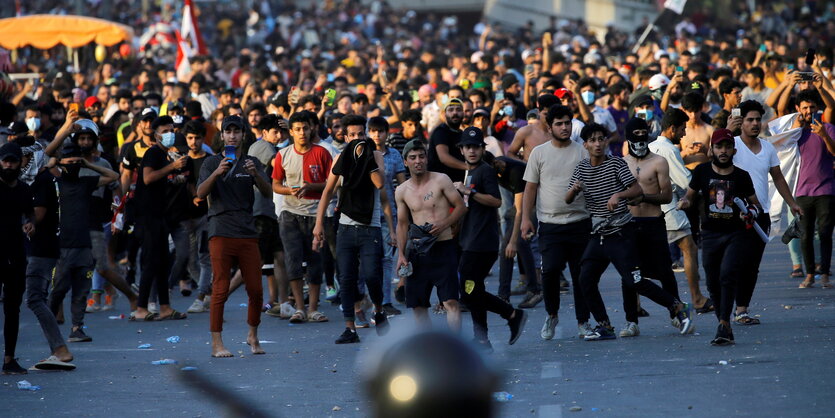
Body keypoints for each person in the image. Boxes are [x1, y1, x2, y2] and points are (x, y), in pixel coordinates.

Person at [566, 123, 693, 341]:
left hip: (622, 233)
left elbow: (635, 189)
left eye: (601, 139)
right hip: (599, 235)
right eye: (593, 140)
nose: (598, 144)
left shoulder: (616, 164)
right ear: (585, 144)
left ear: (607, 142)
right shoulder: (581, 168)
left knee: (635, 280)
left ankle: (677, 306)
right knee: (584, 278)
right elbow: (567, 199)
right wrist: (574, 189)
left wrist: (619, 196)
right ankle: (604, 325)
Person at [312, 115, 392, 344]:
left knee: (371, 275)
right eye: (353, 135)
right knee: (346, 278)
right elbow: (327, 192)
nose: (357, 138)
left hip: (370, 228)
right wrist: (318, 224)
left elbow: (379, 183)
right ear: (345, 137)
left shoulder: (375, 155)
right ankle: (350, 328)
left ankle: (378, 309)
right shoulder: (340, 158)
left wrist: (365, 157)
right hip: (345, 228)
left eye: (360, 134)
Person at [196, 115, 271, 357]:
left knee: (256, 290)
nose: (232, 135)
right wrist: (217, 173)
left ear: (243, 135)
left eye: (236, 131)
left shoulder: (252, 161)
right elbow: (199, 193)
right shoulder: (211, 162)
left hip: (248, 231)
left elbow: (269, 194)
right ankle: (217, 343)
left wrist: (256, 175)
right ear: (221, 135)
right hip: (220, 229)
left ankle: (253, 336)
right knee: (220, 288)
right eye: (228, 131)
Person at [678, 129, 760, 345]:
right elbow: (690, 195)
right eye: (718, 146)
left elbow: (756, 204)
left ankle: (724, 323)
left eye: (727, 147)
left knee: (727, 274)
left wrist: (749, 212)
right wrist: (685, 202)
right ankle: (724, 324)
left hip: (736, 234)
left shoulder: (741, 176)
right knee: (713, 281)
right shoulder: (702, 172)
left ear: (733, 149)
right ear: (711, 150)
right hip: (710, 233)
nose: (723, 151)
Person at [521, 105, 593, 340]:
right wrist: (525, 219)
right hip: (549, 225)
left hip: (580, 222)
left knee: (581, 275)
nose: (564, 127)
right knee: (550, 271)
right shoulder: (539, 153)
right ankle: (552, 314)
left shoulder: (582, 152)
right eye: (559, 123)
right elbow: (530, 188)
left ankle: (583, 322)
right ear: (549, 127)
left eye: (567, 123)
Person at [726, 100, 803, 321]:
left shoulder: (767, 147)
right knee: (733, 264)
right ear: (741, 122)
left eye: (758, 119)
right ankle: (726, 306)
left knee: (751, 266)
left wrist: (792, 202)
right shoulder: (732, 144)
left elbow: (778, 177)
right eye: (750, 119)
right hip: (734, 214)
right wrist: (726, 132)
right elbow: (713, 156)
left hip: (760, 214)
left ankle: (741, 309)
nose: (755, 123)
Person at [454, 127, 527, 351]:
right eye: (468, 147)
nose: (472, 151)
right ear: (462, 150)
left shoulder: (484, 171)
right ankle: (484, 338)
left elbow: (495, 201)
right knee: (471, 290)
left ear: (481, 149)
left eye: (476, 147)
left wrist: (469, 192)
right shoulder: (470, 172)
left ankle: (511, 314)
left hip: (481, 242)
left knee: (469, 291)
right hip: (469, 240)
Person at [620, 117, 687, 337]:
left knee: (664, 271)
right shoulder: (622, 164)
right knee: (629, 275)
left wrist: (643, 198)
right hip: (629, 224)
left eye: (643, 133)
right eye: (635, 134)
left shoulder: (658, 161)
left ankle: (676, 314)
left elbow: (667, 195)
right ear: (628, 137)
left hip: (654, 223)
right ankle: (631, 320)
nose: (640, 139)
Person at [48, 142, 119, 343]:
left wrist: (88, 165)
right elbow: (44, 167)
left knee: (81, 289)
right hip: (63, 245)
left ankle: (77, 328)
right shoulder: (56, 182)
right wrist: (55, 162)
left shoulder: (86, 182)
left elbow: (113, 177)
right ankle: (50, 323)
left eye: (76, 162)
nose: (74, 165)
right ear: (62, 163)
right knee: (59, 289)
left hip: (84, 245)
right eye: (70, 162)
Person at [395, 139, 466, 332]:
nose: (418, 161)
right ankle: (429, 350)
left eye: (421, 156)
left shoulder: (441, 179)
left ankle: (453, 350)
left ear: (426, 159)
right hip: (418, 252)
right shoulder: (401, 191)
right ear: (405, 162)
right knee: (418, 306)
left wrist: (444, 223)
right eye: (413, 157)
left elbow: (461, 207)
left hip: (444, 247)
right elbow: (402, 224)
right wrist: (401, 255)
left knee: (451, 301)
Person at [648, 109, 712, 312]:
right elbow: (684, 181)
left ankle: (636, 305)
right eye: (682, 129)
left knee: (646, 257)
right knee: (690, 249)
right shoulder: (669, 149)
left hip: (650, 207)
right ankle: (697, 298)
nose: (684, 134)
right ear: (672, 128)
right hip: (668, 206)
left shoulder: (652, 146)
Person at [272, 112, 332, 323]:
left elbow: (331, 183)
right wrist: (290, 190)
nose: (302, 133)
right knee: (293, 260)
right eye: (297, 129)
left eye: (305, 128)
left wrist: (311, 187)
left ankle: (313, 308)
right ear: (291, 132)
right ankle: (299, 308)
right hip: (290, 214)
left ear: (311, 129)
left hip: (315, 214)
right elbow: (275, 184)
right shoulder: (283, 155)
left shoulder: (323, 153)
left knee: (316, 260)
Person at [129, 116, 188, 321]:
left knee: (163, 262)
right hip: (148, 216)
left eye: (172, 129)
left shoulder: (165, 155)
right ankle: (141, 308)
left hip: (160, 215)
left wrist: (174, 178)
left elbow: (159, 181)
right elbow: (147, 178)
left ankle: (164, 306)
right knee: (151, 261)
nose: (170, 134)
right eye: (165, 130)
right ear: (156, 134)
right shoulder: (154, 153)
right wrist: (172, 168)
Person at [25, 153, 76, 371]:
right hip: (42, 248)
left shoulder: (41, 181)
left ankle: (60, 350)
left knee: (36, 298)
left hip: (41, 249)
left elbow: (38, 214)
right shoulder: (40, 180)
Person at [791, 91, 835, 288]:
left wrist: (824, 135)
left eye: (812, 107)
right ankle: (809, 274)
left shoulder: (829, 128)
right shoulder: (796, 132)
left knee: (825, 233)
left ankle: (824, 273)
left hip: (826, 189)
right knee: (805, 235)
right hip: (802, 192)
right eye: (805, 108)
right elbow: (783, 147)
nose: (809, 111)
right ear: (798, 110)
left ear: (818, 109)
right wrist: (795, 126)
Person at [247, 115, 290, 318]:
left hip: (269, 211)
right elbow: (282, 164)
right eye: (276, 132)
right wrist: (293, 137)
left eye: (281, 131)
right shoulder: (263, 147)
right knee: (255, 261)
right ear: (264, 133)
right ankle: (215, 296)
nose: (279, 135)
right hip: (261, 211)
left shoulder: (269, 146)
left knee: (279, 257)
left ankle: (283, 303)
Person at [0, 143, 35, 374]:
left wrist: (30, 222)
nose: (9, 165)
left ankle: (9, 359)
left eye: (13, 161)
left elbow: (29, 211)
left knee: (13, 309)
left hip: (15, 255)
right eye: (5, 161)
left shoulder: (23, 189)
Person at [368, 116, 406, 316]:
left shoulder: (394, 156)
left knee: (386, 259)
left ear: (386, 133)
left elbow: (402, 184)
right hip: (367, 213)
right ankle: (364, 300)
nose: (376, 134)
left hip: (390, 212)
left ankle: (385, 301)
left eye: (380, 131)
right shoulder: (364, 153)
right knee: (367, 260)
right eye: (373, 130)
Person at [427, 98, 467, 182]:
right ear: (444, 114)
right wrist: (468, 167)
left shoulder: (461, 133)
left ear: (463, 113)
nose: (455, 113)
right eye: (451, 110)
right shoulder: (441, 131)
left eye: (458, 110)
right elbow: (444, 157)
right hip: (440, 184)